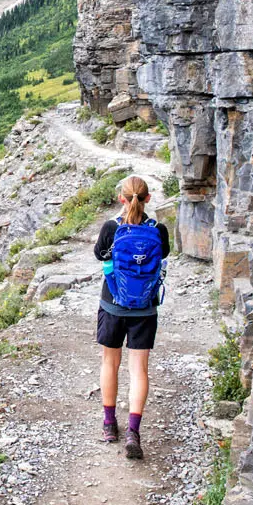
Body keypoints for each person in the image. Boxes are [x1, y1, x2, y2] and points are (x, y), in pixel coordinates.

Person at [93, 175, 170, 459]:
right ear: (148, 199)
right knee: (139, 370)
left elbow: (100, 255)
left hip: (112, 304)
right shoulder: (158, 230)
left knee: (109, 363)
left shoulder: (111, 227)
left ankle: (109, 424)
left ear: (121, 199)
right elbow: (163, 256)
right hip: (145, 309)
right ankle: (133, 432)